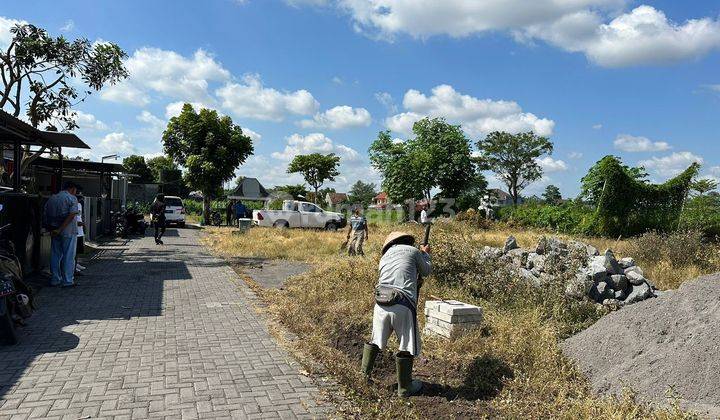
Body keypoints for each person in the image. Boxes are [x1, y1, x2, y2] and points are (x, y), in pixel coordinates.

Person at [361, 231, 431, 397]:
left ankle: (363, 376)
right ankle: (405, 387)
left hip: (381, 303)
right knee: (406, 345)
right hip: (402, 305)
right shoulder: (414, 251)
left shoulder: (385, 257)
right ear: (408, 241)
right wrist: (426, 254)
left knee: (375, 340)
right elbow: (426, 271)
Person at [43, 181, 80, 287]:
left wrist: (53, 229)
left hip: (54, 230)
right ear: (72, 189)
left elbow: (46, 214)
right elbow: (72, 215)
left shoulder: (52, 198)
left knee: (55, 255)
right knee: (68, 256)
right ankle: (68, 280)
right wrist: (61, 229)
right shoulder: (72, 198)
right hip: (68, 231)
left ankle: (55, 279)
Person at [75, 192, 86, 276]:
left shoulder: (79, 205)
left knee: (78, 251)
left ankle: (76, 264)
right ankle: (74, 266)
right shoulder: (74, 205)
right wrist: (80, 223)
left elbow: (79, 216)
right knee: (74, 251)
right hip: (75, 231)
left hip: (80, 231)